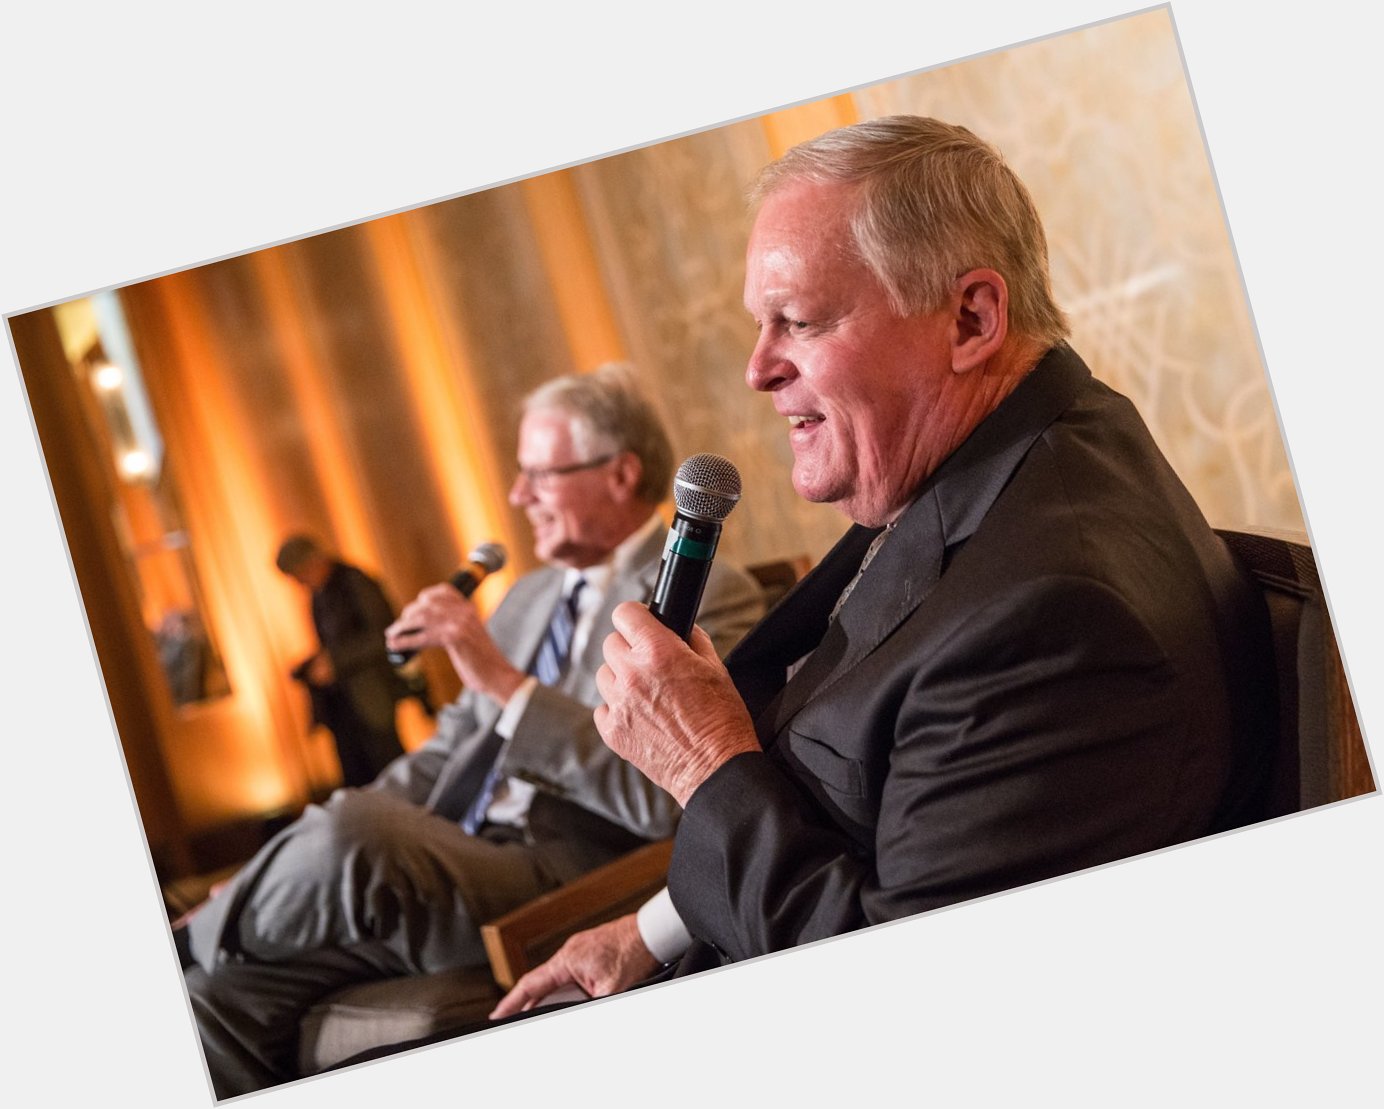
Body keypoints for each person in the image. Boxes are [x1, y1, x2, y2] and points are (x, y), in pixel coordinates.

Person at [491, 116, 1275, 1015]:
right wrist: (652, 931)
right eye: (760, 323)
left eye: (798, 320)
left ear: (972, 318)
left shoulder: (1057, 617)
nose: (757, 369)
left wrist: (705, 760)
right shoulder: (992, 460)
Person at [180, 364, 767, 1096]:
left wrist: (498, 678)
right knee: (211, 1002)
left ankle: (179, 942)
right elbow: (437, 757)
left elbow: (660, 794)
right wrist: (313, 834)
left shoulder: (710, 590)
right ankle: (213, 932)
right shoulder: (527, 596)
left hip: (562, 871)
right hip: (445, 860)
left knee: (351, 836)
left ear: (620, 475)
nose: (519, 496)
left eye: (539, 476)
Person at [275, 535, 409, 787]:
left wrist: (336, 662)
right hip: (345, 702)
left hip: (372, 694)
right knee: (358, 774)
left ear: (313, 561)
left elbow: (385, 634)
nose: (301, 583)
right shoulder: (319, 595)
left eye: (300, 575)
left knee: (388, 768)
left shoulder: (354, 582)